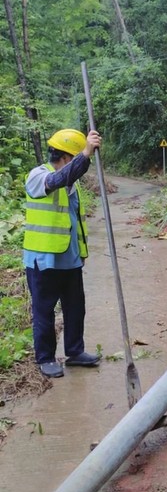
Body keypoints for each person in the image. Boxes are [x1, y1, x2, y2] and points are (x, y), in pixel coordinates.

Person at [23, 128, 102, 378]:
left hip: (70, 259)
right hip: (43, 259)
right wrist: (86, 153)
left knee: (75, 308)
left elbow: (75, 221)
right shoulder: (38, 176)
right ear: (67, 157)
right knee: (44, 311)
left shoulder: (72, 185)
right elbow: (56, 180)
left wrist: (82, 252)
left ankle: (75, 352)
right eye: (76, 158)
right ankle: (45, 358)